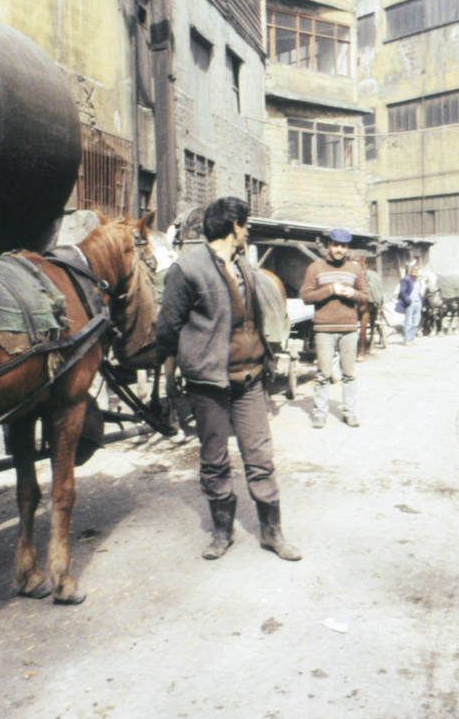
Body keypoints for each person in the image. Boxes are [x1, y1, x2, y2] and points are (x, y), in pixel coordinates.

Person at [155, 196, 301, 562]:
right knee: (214, 459)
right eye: (246, 225)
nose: (248, 231)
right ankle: (222, 532)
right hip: (209, 384)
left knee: (260, 456)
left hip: (250, 379)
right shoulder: (187, 270)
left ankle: (272, 533)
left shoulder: (244, 268)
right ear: (234, 226)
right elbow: (167, 329)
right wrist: (190, 363)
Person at [300, 227, 368, 429]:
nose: (339, 249)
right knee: (322, 374)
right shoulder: (315, 268)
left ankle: (349, 412)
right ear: (329, 245)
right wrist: (330, 290)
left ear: (347, 248)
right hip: (324, 329)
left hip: (349, 328)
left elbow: (365, 297)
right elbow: (306, 296)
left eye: (343, 246)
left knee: (349, 374)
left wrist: (351, 294)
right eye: (336, 245)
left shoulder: (355, 269)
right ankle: (320, 413)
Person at [396, 262, 423, 345]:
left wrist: (421, 301)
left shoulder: (418, 281)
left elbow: (419, 292)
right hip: (410, 303)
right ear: (411, 272)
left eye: (417, 272)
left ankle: (411, 338)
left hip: (418, 303)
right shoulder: (406, 280)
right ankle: (406, 340)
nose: (416, 274)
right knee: (408, 321)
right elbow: (402, 292)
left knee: (416, 321)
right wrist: (408, 300)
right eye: (414, 272)